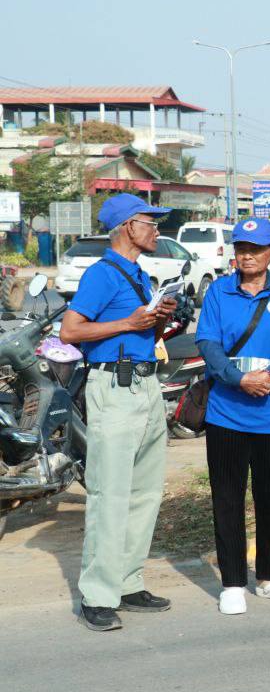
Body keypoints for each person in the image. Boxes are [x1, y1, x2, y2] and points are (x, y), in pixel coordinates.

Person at [60, 193, 178, 632]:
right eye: (150, 222)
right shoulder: (102, 274)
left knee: (145, 492)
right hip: (113, 386)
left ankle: (127, 583)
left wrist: (159, 318)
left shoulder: (140, 274)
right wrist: (130, 322)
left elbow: (145, 332)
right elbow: (70, 331)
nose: (156, 230)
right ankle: (97, 595)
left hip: (145, 384)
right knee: (109, 493)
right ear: (128, 227)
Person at [196, 218, 270, 615]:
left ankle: (268, 576)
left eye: (256, 248)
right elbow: (208, 344)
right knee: (227, 498)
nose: (247, 255)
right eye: (241, 248)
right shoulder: (218, 291)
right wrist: (240, 379)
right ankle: (232, 582)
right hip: (227, 414)